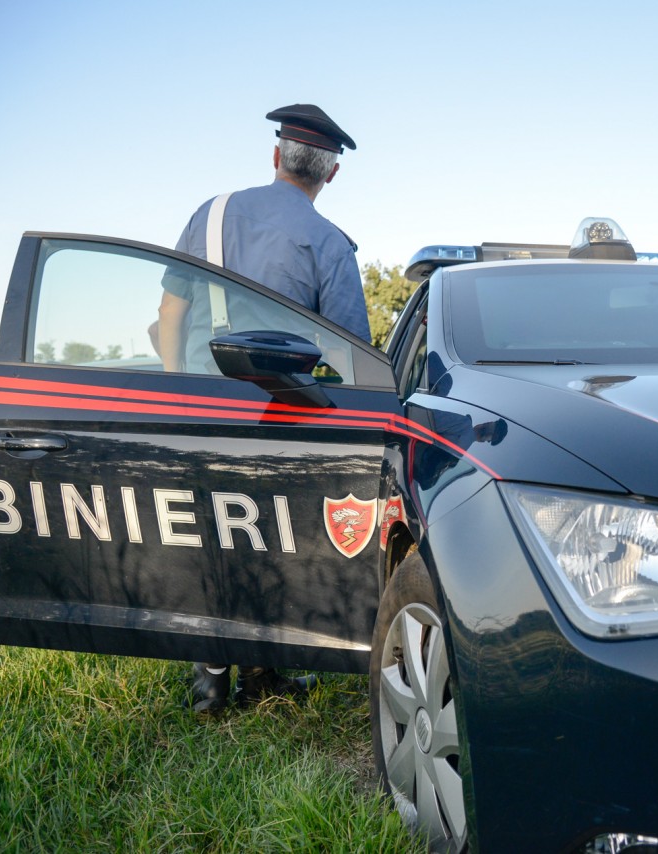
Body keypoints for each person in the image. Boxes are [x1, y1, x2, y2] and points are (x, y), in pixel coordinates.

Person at [160, 103, 370, 712]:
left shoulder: (211, 212)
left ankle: (212, 676)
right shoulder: (330, 243)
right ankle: (267, 669)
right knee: (274, 536)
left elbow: (171, 311)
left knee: (210, 536)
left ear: (277, 156)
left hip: (206, 404)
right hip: (284, 412)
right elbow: (346, 353)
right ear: (330, 174)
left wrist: (178, 391)